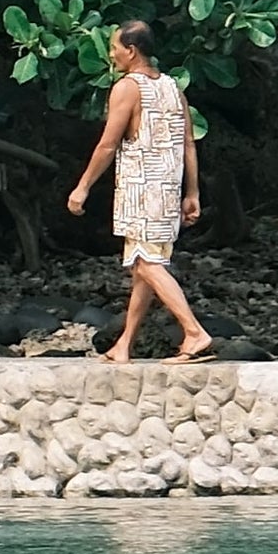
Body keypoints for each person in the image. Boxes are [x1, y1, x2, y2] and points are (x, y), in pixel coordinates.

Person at [63, 20, 213, 359]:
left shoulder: (128, 88)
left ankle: (194, 332)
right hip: (169, 188)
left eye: (115, 47)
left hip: (141, 188)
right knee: (144, 267)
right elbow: (188, 142)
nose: (112, 53)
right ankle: (124, 344)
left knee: (146, 264)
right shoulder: (174, 86)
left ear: (131, 51)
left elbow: (108, 144)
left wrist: (82, 187)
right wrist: (192, 193)